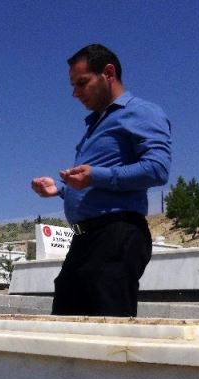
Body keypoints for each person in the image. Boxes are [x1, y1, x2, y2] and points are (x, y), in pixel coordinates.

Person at [31, 43, 171, 317]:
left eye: (82, 83)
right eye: (73, 86)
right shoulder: (95, 124)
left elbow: (157, 169)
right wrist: (60, 189)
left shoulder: (141, 112)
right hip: (84, 239)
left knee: (109, 327)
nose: (75, 93)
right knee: (66, 324)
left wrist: (95, 175)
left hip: (116, 233)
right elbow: (94, 182)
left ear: (108, 73)